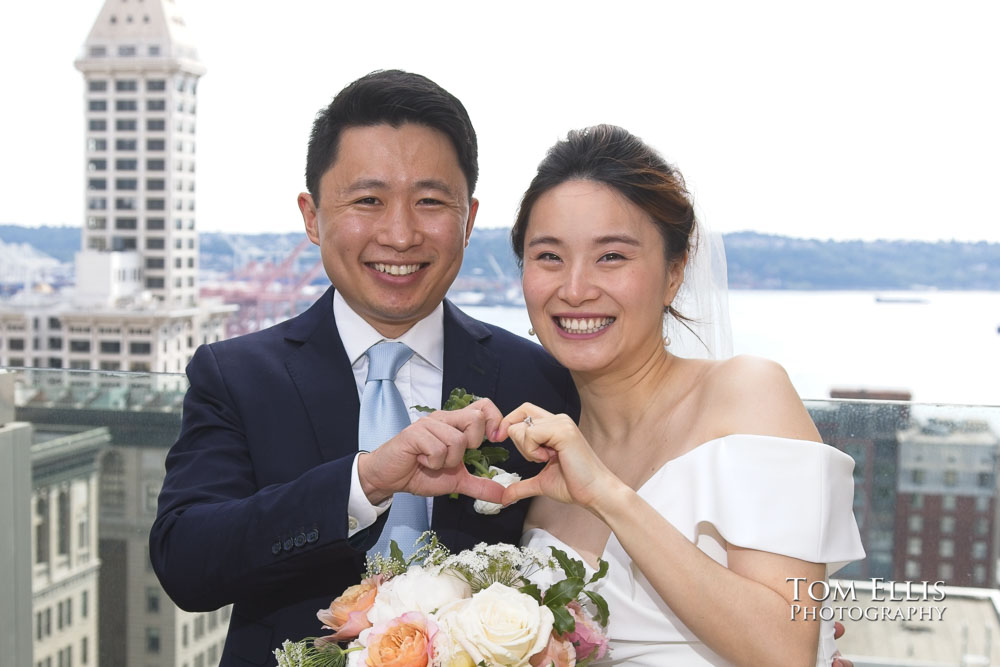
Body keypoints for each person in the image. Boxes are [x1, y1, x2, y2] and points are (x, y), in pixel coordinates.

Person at [148, 70, 578, 665]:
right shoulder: (236, 375)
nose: (399, 234)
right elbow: (187, 565)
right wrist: (366, 481)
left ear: (470, 217)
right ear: (312, 215)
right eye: (368, 200)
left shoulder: (539, 380)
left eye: (430, 201)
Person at [496, 124, 865, 665]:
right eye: (549, 256)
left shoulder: (745, 394)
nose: (574, 289)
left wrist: (607, 493)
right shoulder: (543, 467)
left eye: (612, 257)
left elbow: (787, 647)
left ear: (674, 272)